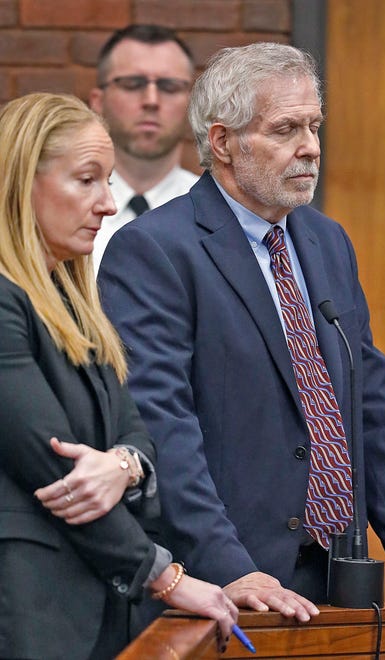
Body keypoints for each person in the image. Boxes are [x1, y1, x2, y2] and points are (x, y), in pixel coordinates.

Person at [97, 43, 385, 622]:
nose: (310, 146)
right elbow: (163, 426)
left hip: (332, 573)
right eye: (285, 129)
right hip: (220, 582)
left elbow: (370, 400)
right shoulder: (155, 250)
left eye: (313, 126)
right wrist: (230, 567)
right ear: (224, 141)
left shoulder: (327, 240)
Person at [0, 92, 238, 660]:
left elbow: (136, 433)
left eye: (108, 181)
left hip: (103, 614)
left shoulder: (76, 303)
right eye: (87, 180)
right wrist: (168, 578)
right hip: (28, 614)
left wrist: (123, 465)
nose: (108, 204)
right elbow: (58, 473)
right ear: (18, 182)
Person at [88, 24, 199, 273]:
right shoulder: (64, 215)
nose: (151, 100)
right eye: (132, 84)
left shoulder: (217, 213)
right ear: (98, 101)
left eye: (169, 86)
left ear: (192, 106)